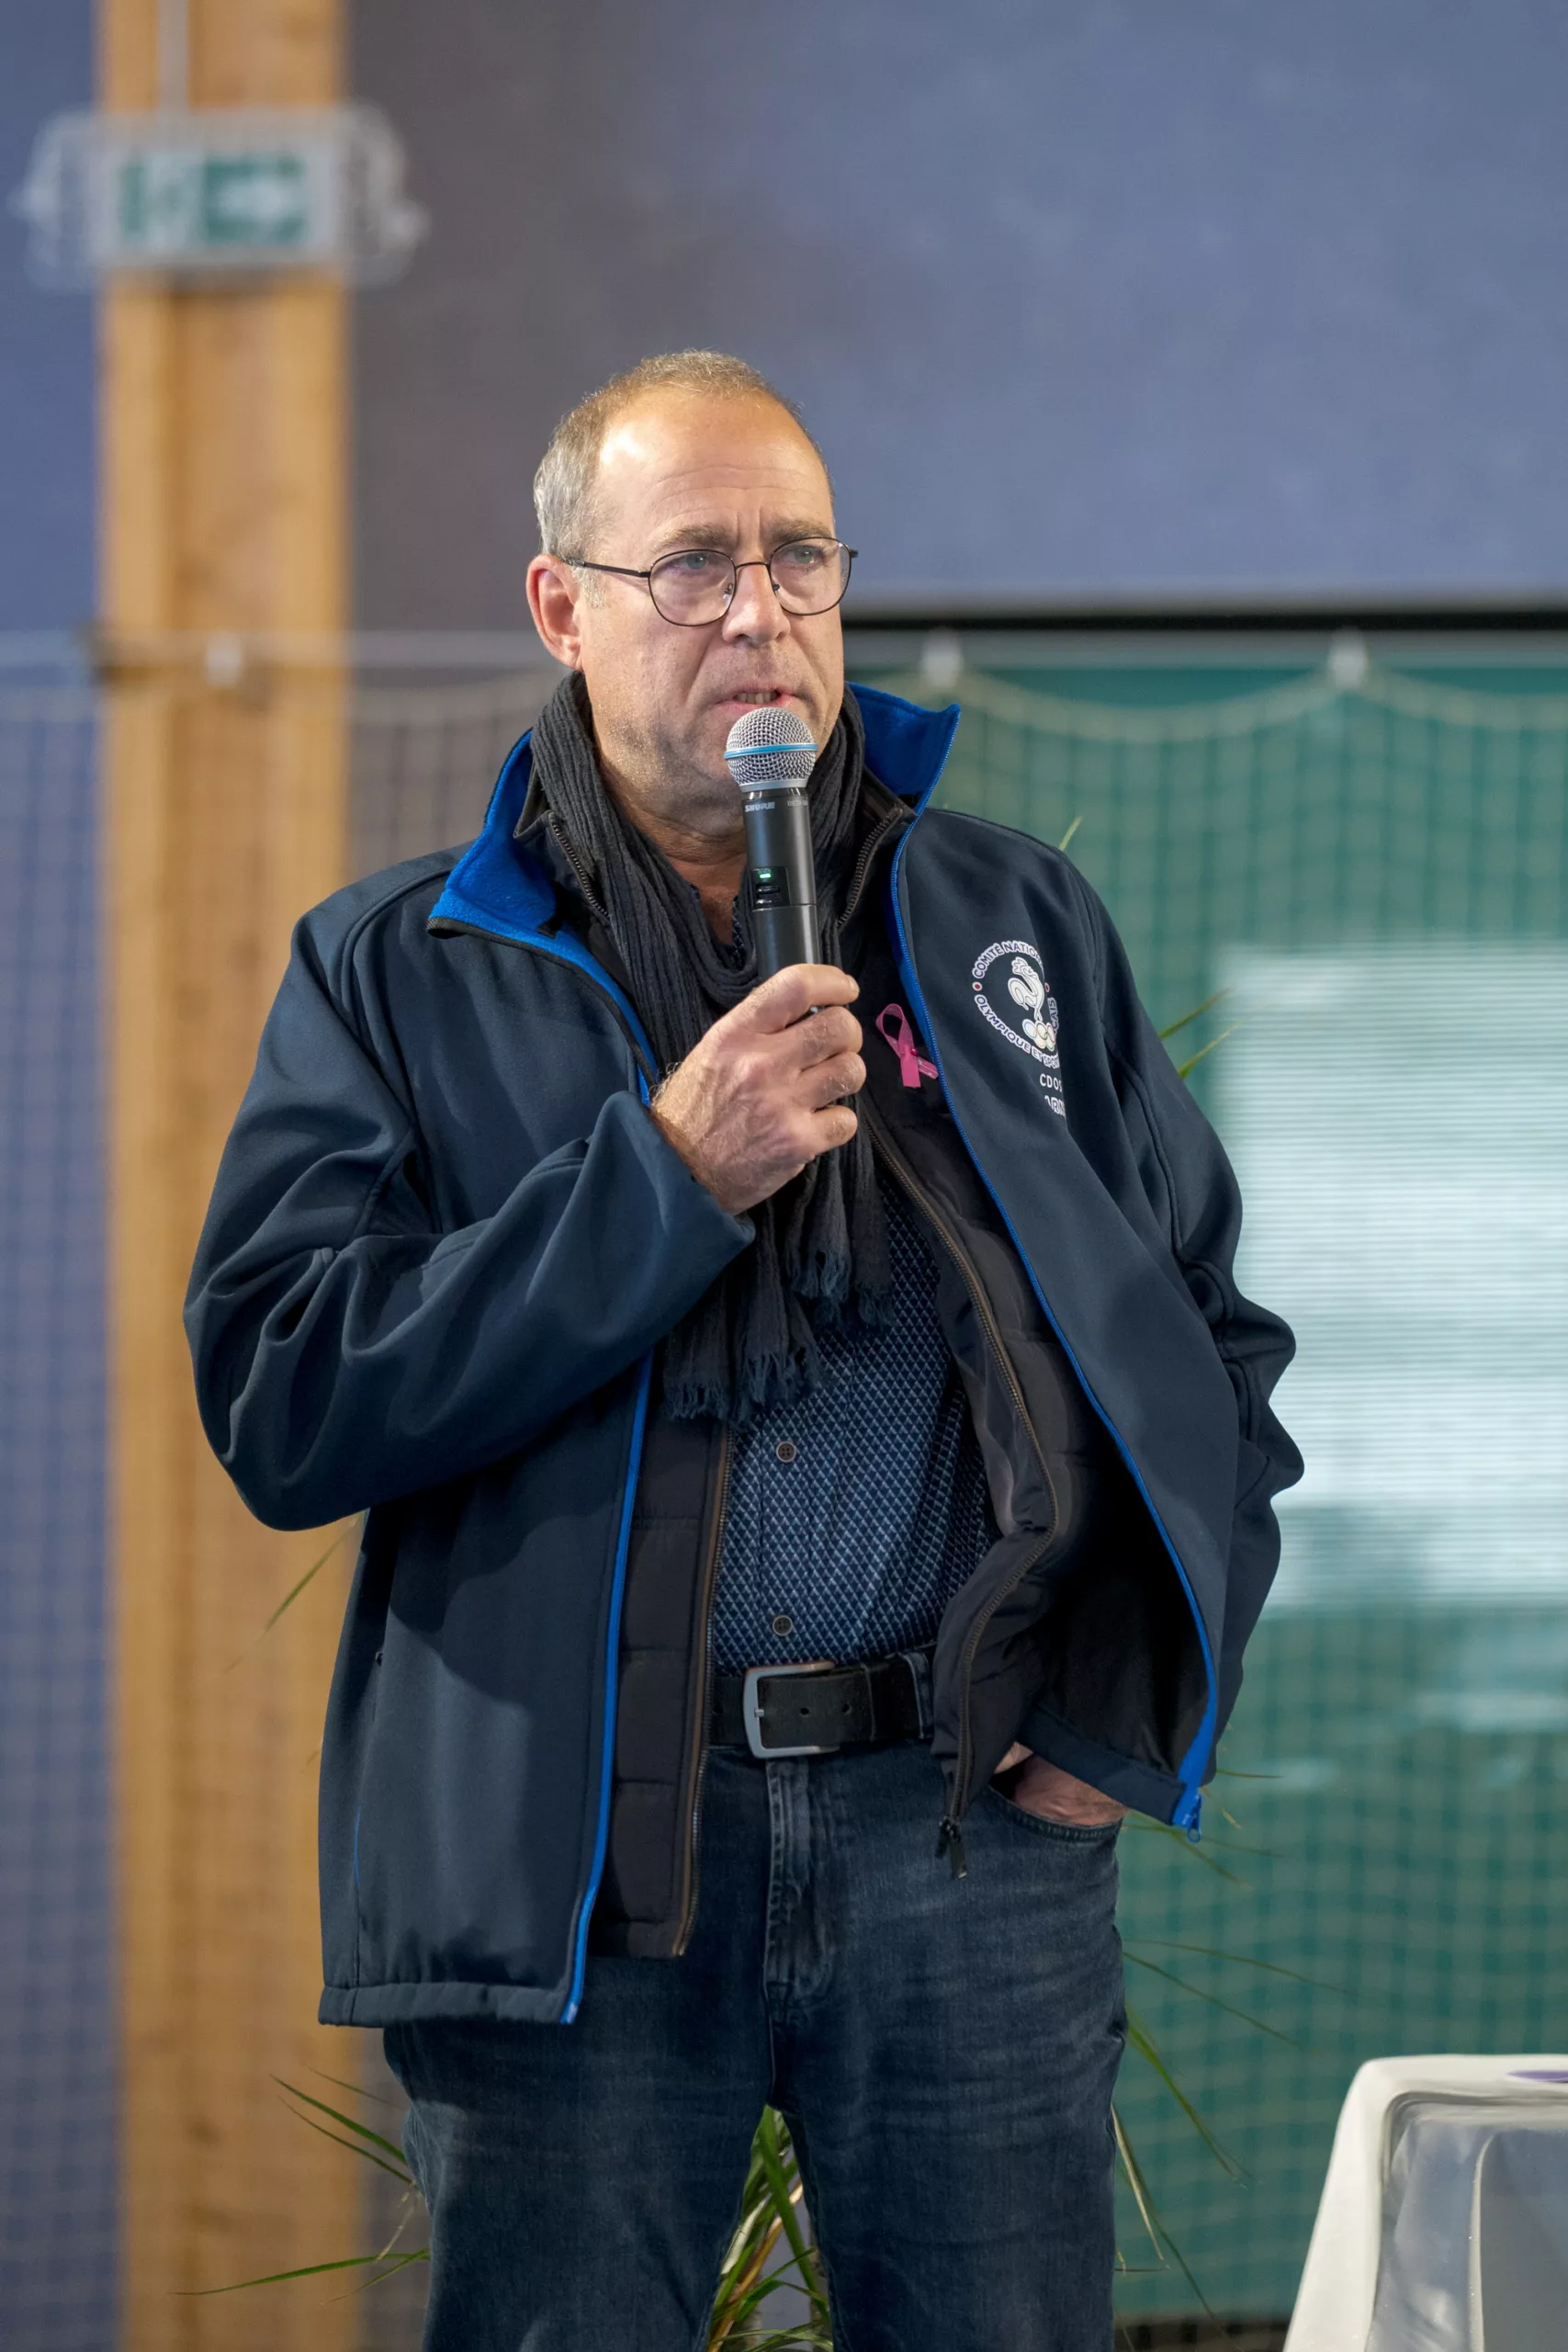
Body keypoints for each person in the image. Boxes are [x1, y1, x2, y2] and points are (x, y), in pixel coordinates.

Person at [186, 349, 1301, 2352]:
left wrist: (1114, 1720)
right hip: (579, 1871)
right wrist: (668, 1176)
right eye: (693, 563)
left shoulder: (1008, 921)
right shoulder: (396, 967)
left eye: (800, 557)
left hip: (965, 1836)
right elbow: (286, 1395)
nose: (759, 611)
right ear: (564, 606)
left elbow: (1207, 1336)